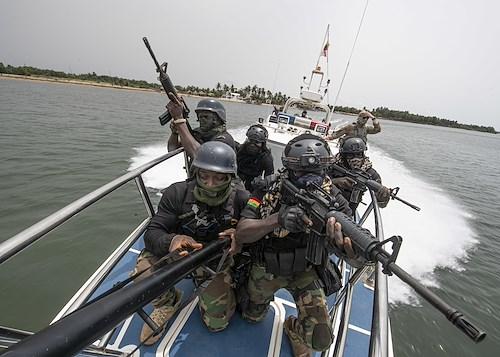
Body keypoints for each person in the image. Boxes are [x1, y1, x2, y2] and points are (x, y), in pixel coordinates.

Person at [234, 134, 362, 357]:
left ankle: (293, 328)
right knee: (251, 317)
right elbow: (243, 232)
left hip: (305, 270)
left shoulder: (334, 198)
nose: (309, 179)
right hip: (267, 268)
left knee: (321, 340)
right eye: (302, 172)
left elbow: (355, 249)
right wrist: (276, 219)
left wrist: (347, 249)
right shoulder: (268, 190)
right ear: (289, 169)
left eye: (317, 172)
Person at [132, 141, 249, 345]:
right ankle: (167, 303)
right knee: (142, 274)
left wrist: (240, 236)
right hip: (181, 254)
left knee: (216, 324)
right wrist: (172, 240)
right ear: (195, 172)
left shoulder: (241, 200)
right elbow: (153, 232)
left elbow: (257, 237)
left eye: (219, 178)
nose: (210, 184)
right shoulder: (177, 193)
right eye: (204, 176)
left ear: (230, 177)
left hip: (215, 261)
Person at [329, 137, 390, 213]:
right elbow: (315, 183)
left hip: (348, 212)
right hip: (327, 203)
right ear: (343, 155)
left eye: (359, 155)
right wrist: (335, 182)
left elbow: (381, 205)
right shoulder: (331, 165)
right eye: (350, 155)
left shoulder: (370, 173)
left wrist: (383, 197)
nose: (355, 159)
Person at [167, 97, 237, 159]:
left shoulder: (224, 140)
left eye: (206, 117)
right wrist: (175, 133)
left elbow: (200, 157)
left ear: (217, 120)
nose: (202, 120)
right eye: (200, 117)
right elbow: (172, 149)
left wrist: (179, 120)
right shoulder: (198, 133)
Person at [236, 124, 274, 191]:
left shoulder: (266, 158)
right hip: (235, 180)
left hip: (252, 185)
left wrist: (262, 183)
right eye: (251, 141)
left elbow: (269, 178)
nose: (252, 145)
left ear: (262, 144)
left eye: (256, 142)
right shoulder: (239, 149)